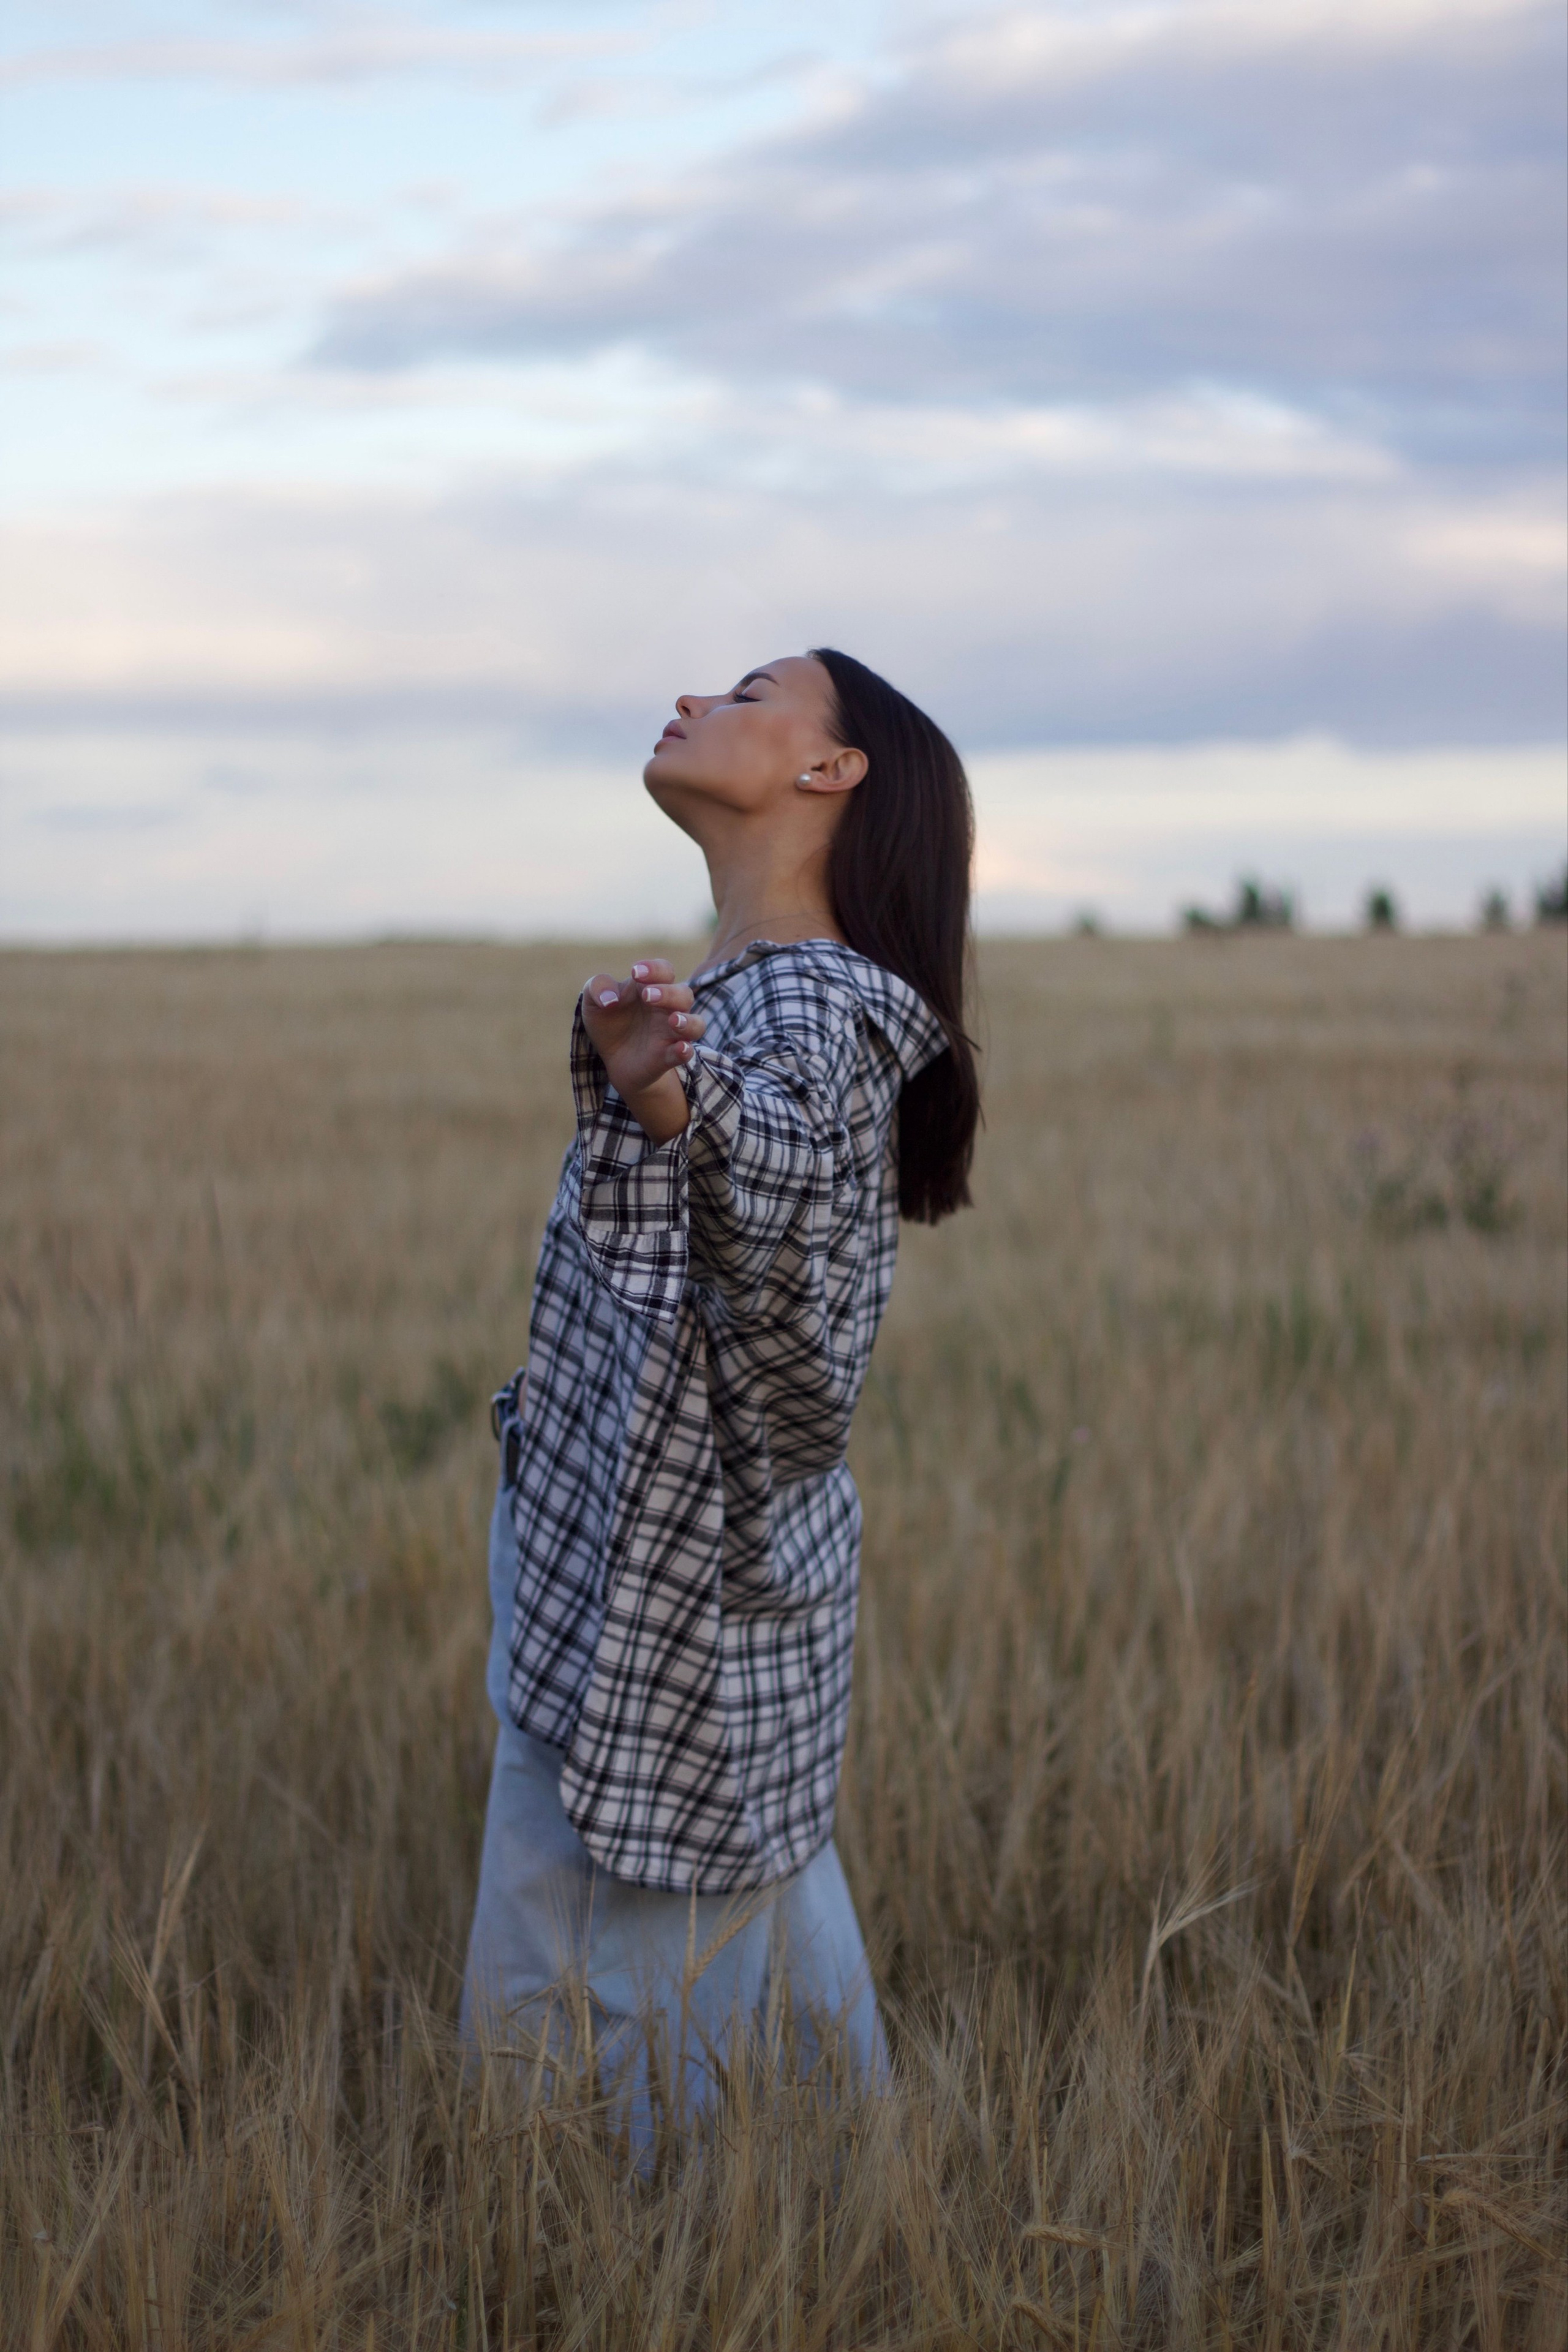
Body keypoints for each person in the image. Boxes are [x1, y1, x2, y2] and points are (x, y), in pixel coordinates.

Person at [461, 647, 979, 2138]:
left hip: (671, 1604)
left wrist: (671, 1099)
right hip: (646, 1578)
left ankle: (642, 2266)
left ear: (830, 773)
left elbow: (787, 1173)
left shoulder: (814, 1014)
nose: (693, 699)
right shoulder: (744, 993)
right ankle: (847, 2203)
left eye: (750, 692)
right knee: (755, 1958)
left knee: (594, 2044)